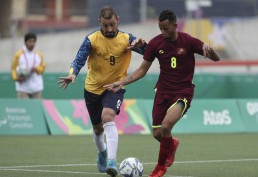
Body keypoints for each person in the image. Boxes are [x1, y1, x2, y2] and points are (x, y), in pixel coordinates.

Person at [104, 10, 220, 177]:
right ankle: (172, 144)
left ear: (175, 25)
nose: (163, 32)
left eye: (166, 28)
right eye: (160, 29)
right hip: (162, 92)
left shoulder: (188, 41)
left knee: (166, 127)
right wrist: (121, 82)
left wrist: (211, 50)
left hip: (183, 92)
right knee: (158, 133)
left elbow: (216, 58)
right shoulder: (156, 43)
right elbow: (142, 70)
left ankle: (160, 168)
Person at [57, 6, 147, 177]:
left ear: (118, 20)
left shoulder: (128, 39)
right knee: (98, 129)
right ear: (100, 22)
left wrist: (143, 46)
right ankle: (103, 153)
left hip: (115, 86)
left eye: (112, 24)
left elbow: (150, 53)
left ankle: (112, 162)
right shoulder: (91, 39)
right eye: (106, 25)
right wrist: (72, 74)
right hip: (92, 89)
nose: (110, 29)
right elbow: (78, 60)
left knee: (108, 117)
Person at [11, 32, 46, 99]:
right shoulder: (18, 54)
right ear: (25, 42)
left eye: (33, 41)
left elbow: (43, 68)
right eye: (30, 41)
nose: (32, 44)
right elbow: (13, 68)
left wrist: (36, 69)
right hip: (23, 88)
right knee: (24, 108)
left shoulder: (39, 54)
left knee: (37, 108)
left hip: (36, 88)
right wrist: (16, 78)